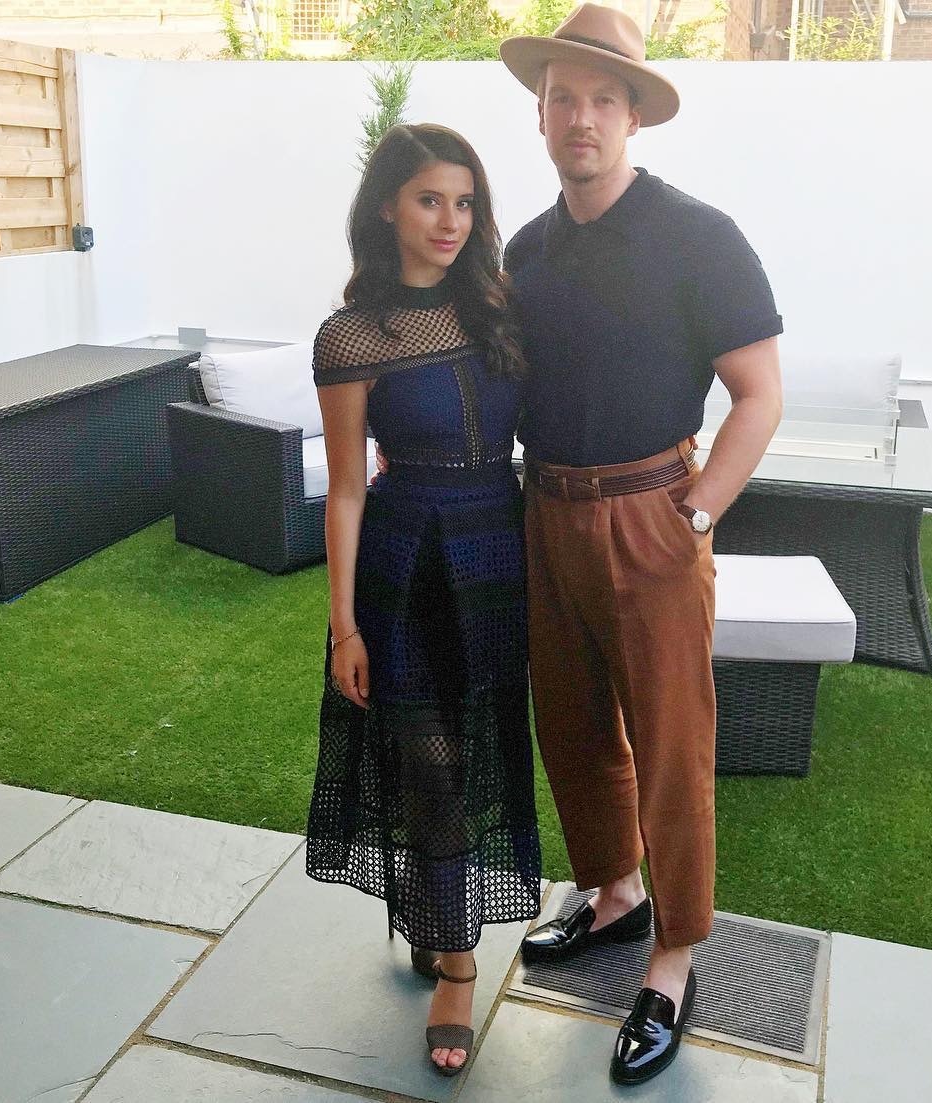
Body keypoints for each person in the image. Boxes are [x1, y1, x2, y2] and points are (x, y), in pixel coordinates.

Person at [498, 4, 784, 1086]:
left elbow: (758, 394)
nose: (581, 117)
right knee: (571, 725)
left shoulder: (699, 236)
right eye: (562, 98)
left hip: (652, 514)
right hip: (545, 511)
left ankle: (673, 956)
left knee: (669, 743)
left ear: (632, 117)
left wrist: (695, 514)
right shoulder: (525, 251)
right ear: (540, 115)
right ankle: (613, 891)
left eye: (602, 100)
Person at [303, 123, 541, 1077]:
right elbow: (347, 488)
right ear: (386, 209)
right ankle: (457, 965)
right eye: (430, 200)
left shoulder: (498, 304)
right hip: (406, 565)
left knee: (480, 747)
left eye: (465, 201)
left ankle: (435, 915)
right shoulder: (353, 335)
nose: (451, 220)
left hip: (499, 553)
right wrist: (343, 626)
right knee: (430, 763)